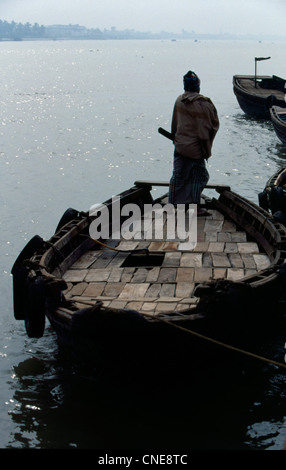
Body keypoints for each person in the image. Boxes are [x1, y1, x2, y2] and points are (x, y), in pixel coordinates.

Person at [168, 70, 219, 216]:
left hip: (180, 146)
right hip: (195, 149)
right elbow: (211, 127)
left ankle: (172, 206)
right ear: (198, 86)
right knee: (199, 177)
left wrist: (177, 139)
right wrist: (205, 147)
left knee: (178, 176)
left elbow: (175, 124)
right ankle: (194, 207)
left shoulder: (179, 100)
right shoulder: (204, 104)